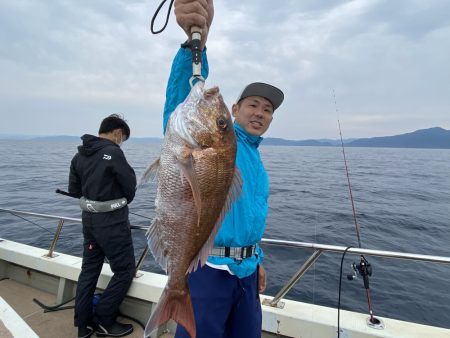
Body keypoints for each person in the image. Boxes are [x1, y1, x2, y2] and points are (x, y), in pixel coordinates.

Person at [163, 1, 284, 337]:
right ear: (235, 110)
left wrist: (255, 259)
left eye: (268, 109)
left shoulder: (255, 159)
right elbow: (180, 103)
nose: (261, 113)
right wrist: (193, 47)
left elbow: (245, 215)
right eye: (253, 105)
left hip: (246, 273)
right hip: (208, 270)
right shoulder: (216, 144)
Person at [68, 114, 137, 338]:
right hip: (112, 223)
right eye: (122, 138)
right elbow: (130, 188)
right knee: (124, 270)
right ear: (117, 133)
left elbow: (74, 190)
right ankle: (105, 319)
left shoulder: (79, 154)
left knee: (89, 270)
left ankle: (82, 325)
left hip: (88, 221)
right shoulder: (114, 152)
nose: (121, 142)